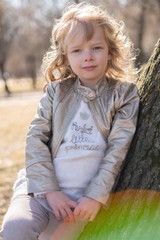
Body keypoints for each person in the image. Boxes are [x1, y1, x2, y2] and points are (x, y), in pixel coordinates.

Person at [0, 2, 140, 240]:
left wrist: (95, 196)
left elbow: (117, 151)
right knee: (16, 229)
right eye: (77, 51)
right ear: (65, 57)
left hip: (79, 204)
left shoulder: (124, 95)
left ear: (110, 51)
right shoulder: (56, 92)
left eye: (96, 47)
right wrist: (50, 190)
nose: (87, 57)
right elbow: (35, 139)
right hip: (38, 192)